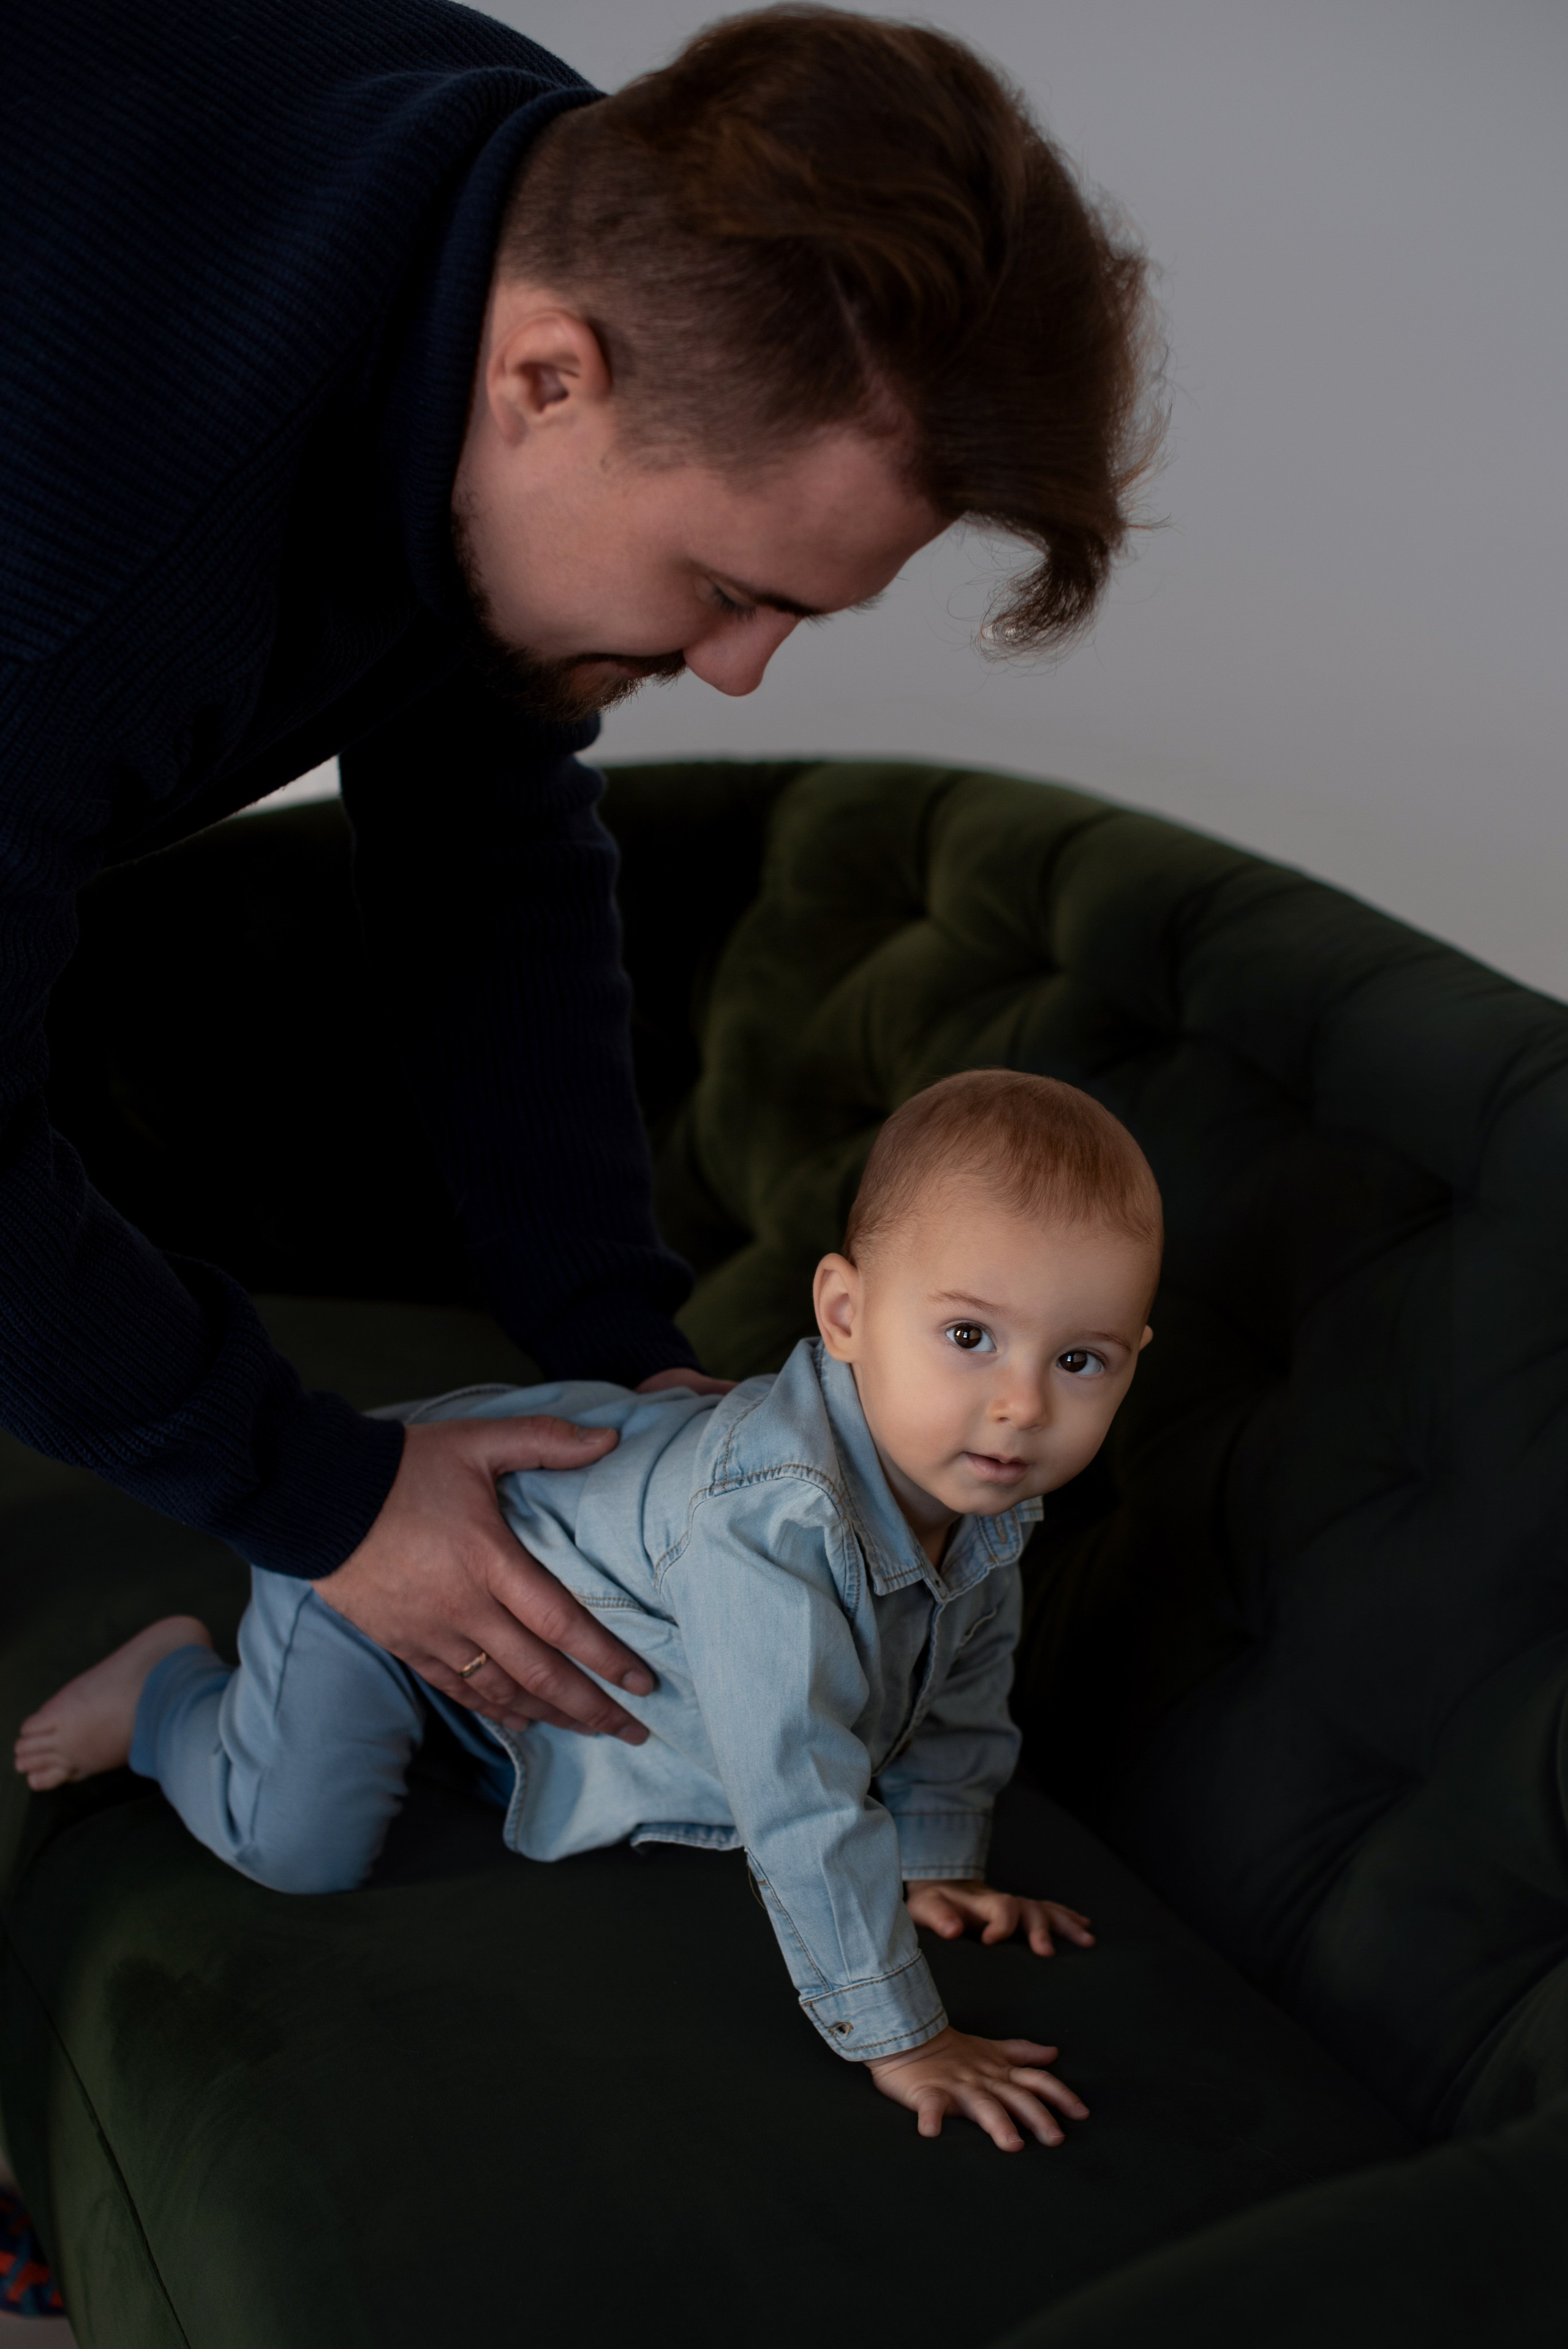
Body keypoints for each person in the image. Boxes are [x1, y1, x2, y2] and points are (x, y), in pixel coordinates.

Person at [2, 1, 1159, 1746]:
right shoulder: (112, 558)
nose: (748, 667)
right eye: (725, 584)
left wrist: (614, 1349)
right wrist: (327, 1495)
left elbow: (485, 830)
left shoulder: (554, 194)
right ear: (546, 379)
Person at [17, 1072, 1163, 2153]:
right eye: (970, 1336)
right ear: (845, 1310)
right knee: (298, 1844)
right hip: (371, 1564)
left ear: (1133, 1359)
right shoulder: (768, 1526)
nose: (1020, 1405)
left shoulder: (980, 1498)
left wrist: (935, 1854)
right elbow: (800, 1796)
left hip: (514, 1642)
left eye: (1079, 1359)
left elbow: (959, 1683)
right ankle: (169, 1696)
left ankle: (424, 1729)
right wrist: (908, 2037)